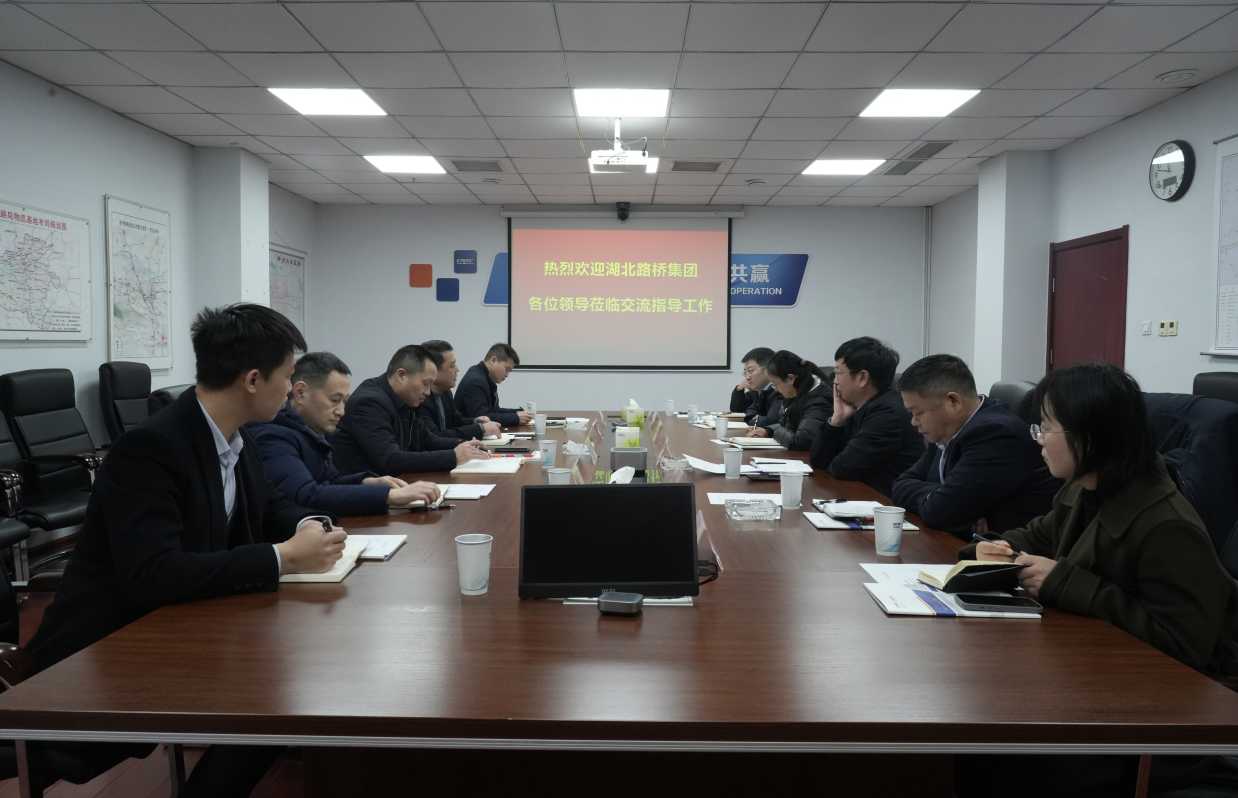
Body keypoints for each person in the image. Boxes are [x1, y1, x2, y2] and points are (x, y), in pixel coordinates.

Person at [24, 303, 346, 797]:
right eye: (286, 376)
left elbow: (270, 507)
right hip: (105, 652)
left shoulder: (235, 440)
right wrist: (283, 557)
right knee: (274, 699)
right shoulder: (151, 450)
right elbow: (154, 574)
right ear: (253, 380)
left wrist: (308, 527)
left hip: (182, 626)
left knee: (285, 681)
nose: (290, 388)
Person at [957, 363, 1238, 797]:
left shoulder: (1166, 523)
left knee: (1001, 757)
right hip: (1095, 681)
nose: (1038, 439)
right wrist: (994, 546)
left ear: (1091, 436)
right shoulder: (1087, 485)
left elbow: (1183, 647)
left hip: (1161, 718)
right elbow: (1040, 534)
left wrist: (1065, 582)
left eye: (1046, 427)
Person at [251, 352, 441, 516]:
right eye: (335, 400)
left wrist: (367, 482)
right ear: (300, 393)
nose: (341, 411)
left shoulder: (313, 429)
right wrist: (390, 496)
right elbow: (306, 495)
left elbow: (330, 481)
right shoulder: (274, 435)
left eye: (344, 401)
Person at [891, 354, 1059, 538]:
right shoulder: (944, 430)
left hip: (1006, 549)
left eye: (918, 413)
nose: (913, 422)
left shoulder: (995, 434)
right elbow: (900, 485)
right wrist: (942, 494)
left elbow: (940, 512)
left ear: (953, 402)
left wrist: (943, 498)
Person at [333, 344, 489, 475]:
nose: (428, 392)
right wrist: (453, 456)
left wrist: (463, 444)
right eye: (425, 383)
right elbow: (391, 460)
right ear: (402, 375)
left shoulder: (406, 399)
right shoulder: (369, 402)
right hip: (364, 492)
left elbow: (427, 440)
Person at [809, 336, 923, 495]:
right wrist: (836, 420)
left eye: (838, 373)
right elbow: (817, 461)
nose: (835, 381)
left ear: (862, 378)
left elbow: (842, 468)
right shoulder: (858, 408)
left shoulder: (888, 415)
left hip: (885, 502)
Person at [419, 340, 502, 441]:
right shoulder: (420, 398)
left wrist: (475, 421)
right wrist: (480, 429)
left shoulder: (445, 392)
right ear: (433, 369)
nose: (457, 370)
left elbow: (456, 421)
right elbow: (435, 436)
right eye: (452, 365)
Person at [748, 350, 831, 451]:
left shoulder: (819, 401)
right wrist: (768, 431)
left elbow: (801, 442)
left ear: (790, 378)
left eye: (775, 384)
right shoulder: (798, 391)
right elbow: (785, 425)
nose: (775, 390)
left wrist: (775, 432)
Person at [456, 343, 532, 428]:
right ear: (493, 360)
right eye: (506, 369)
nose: (507, 375)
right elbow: (482, 417)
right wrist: (515, 418)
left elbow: (492, 410)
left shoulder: (484, 376)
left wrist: (516, 412)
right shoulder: (476, 381)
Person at [729, 346, 782, 426]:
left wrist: (749, 418)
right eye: (745, 372)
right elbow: (737, 410)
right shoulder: (757, 391)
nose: (747, 377)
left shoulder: (779, 391)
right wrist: (739, 389)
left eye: (750, 371)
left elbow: (770, 421)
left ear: (767, 370)